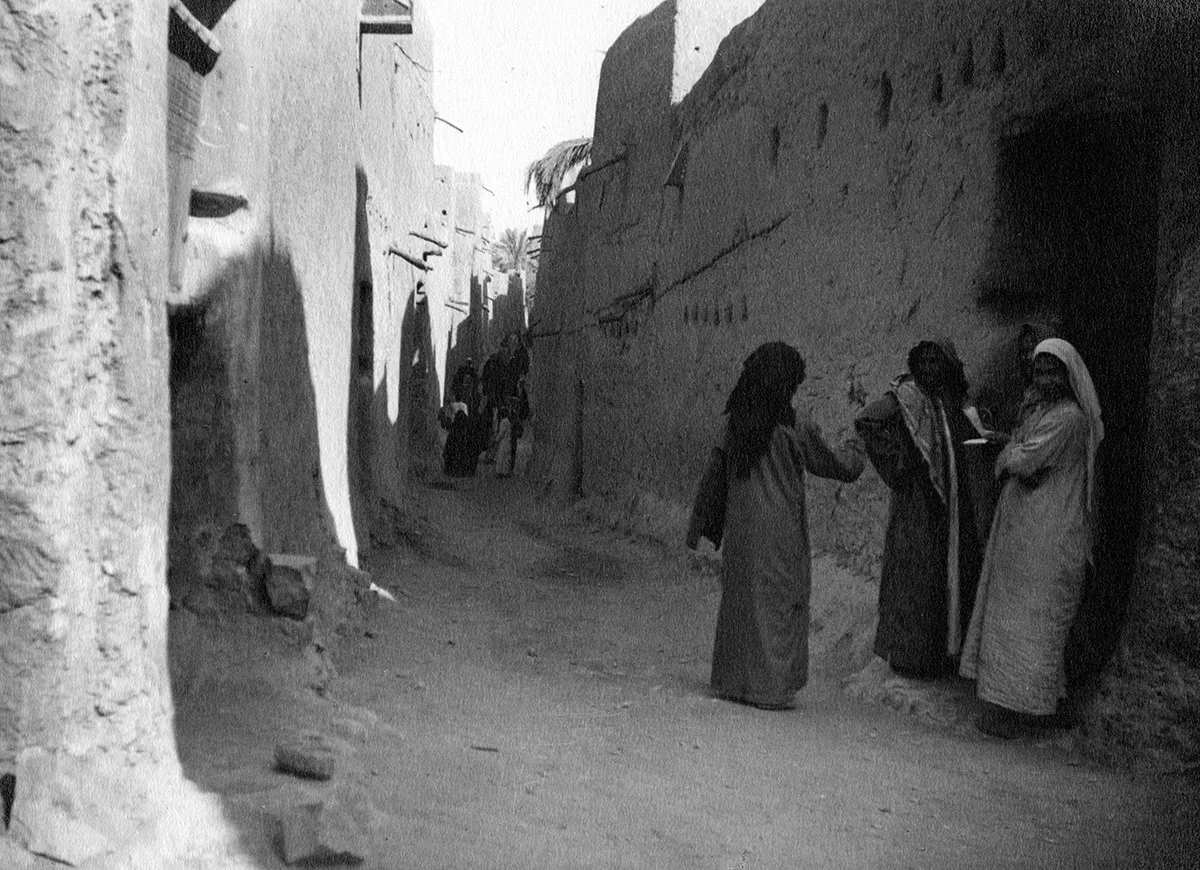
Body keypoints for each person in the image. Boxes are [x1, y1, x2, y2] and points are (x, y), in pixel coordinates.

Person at [686, 342, 864, 710]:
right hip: (781, 533)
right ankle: (771, 688)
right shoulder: (795, 427)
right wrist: (858, 446)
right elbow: (838, 466)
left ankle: (736, 682)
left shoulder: (734, 425)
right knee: (779, 606)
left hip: (742, 533)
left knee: (742, 605)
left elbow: (712, 477)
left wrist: (701, 525)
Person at [959, 338, 1104, 738]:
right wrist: (1012, 447)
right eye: (1039, 371)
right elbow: (1022, 449)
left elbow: (1026, 459)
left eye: (1053, 371)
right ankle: (1007, 707)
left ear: (1069, 375)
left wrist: (1010, 455)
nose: (1045, 378)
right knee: (1012, 619)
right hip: (1024, 531)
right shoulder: (1044, 411)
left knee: (1035, 621)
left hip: (1048, 532)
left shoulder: (1071, 418)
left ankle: (1026, 711)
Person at [854, 338, 985, 678]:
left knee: (948, 573)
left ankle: (942, 654)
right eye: (923, 362)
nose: (929, 368)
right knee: (917, 572)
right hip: (917, 502)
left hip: (950, 504)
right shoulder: (906, 397)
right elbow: (867, 420)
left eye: (935, 362)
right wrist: (901, 461)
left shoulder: (949, 400)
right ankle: (909, 657)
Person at [440, 361, 485, 477]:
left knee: (463, 447)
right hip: (465, 424)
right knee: (462, 447)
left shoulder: (472, 393)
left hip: (466, 424)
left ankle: (460, 469)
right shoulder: (469, 392)